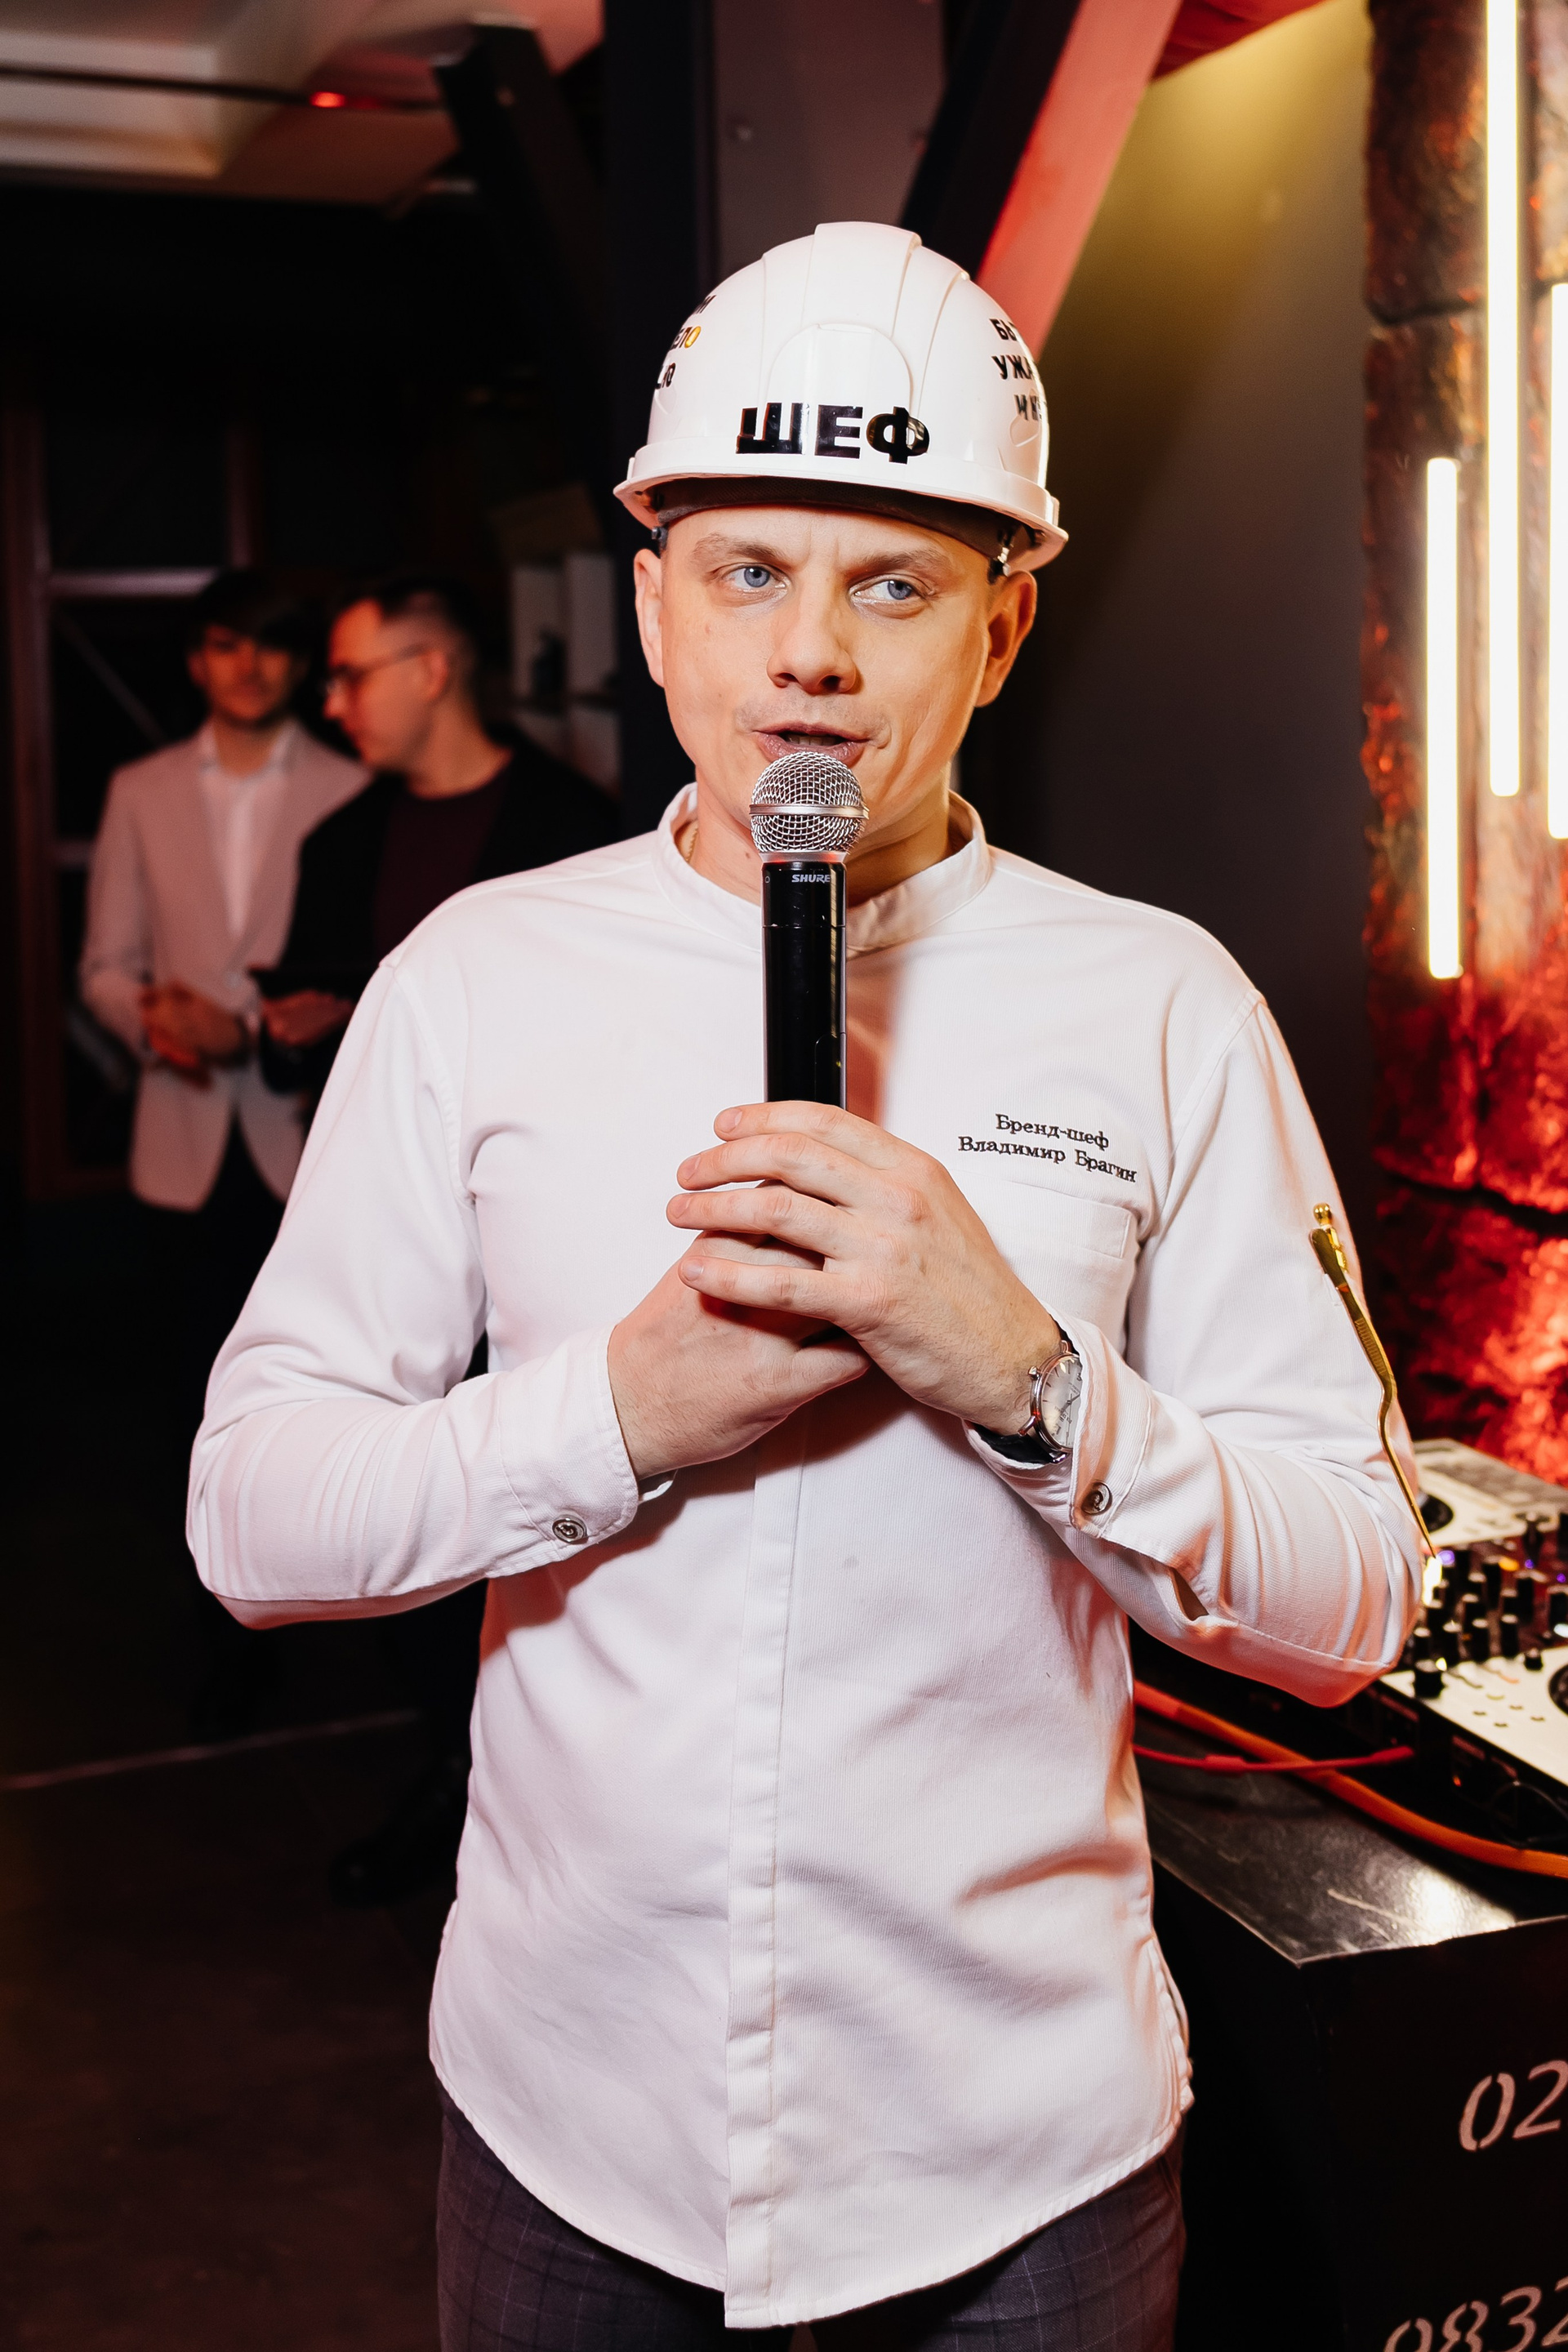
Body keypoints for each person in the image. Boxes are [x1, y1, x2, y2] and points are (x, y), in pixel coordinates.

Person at [190, 224, 1422, 2352]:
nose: (812, 657)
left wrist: (1033, 1380)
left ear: (1004, 627)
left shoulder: (1163, 1006)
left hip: (1019, 2160)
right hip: (574, 2123)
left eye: (896, 585)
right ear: (652, 601)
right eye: (749, 570)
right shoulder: (478, 977)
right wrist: (619, 1415)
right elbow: (254, 1519)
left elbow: (1358, 1598)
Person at [257, 572, 621, 1905]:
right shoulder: (339, 841)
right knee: (406, 1512)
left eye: (353, 675)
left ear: (433, 669)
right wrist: (303, 1026)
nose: (332, 703)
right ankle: (453, 1772)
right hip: (391, 1234)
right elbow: (302, 1031)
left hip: (542, 1245)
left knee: (551, 1521)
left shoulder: (576, 826)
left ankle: (528, 1792)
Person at [80, 568, 363, 1735]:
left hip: (313, 1146)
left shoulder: (354, 785)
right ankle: (225, 1638)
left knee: (335, 1392)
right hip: (184, 1141)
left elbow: (362, 970)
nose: (249, 668)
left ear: (300, 666)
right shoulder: (139, 789)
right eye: (225, 646)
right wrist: (151, 1019)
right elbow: (104, 964)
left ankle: (345, 1613)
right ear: (197, 662)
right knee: (194, 1402)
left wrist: (247, 1030)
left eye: (272, 647)